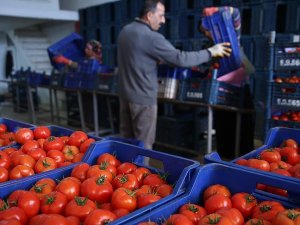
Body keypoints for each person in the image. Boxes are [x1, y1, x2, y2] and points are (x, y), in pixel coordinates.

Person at [117, 0, 232, 149]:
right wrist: (211, 52)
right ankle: (142, 172)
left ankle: (124, 171)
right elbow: (180, 58)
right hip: (143, 99)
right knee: (143, 145)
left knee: (126, 141)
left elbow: (135, 58)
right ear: (150, 15)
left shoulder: (125, 31)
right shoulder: (151, 37)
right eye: (161, 16)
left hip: (125, 95)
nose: (163, 21)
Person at [201, 6, 256, 159]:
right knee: (224, 128)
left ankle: (244, 160)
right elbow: (212, 69)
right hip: (222, 93)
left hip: (240, 89)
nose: (206, 33)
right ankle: (226, 159)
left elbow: (236, 13)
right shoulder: (212, 47)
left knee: (243, 129)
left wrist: (217, 9)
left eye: (207, 29)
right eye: (204, 31)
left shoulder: (233, 38)